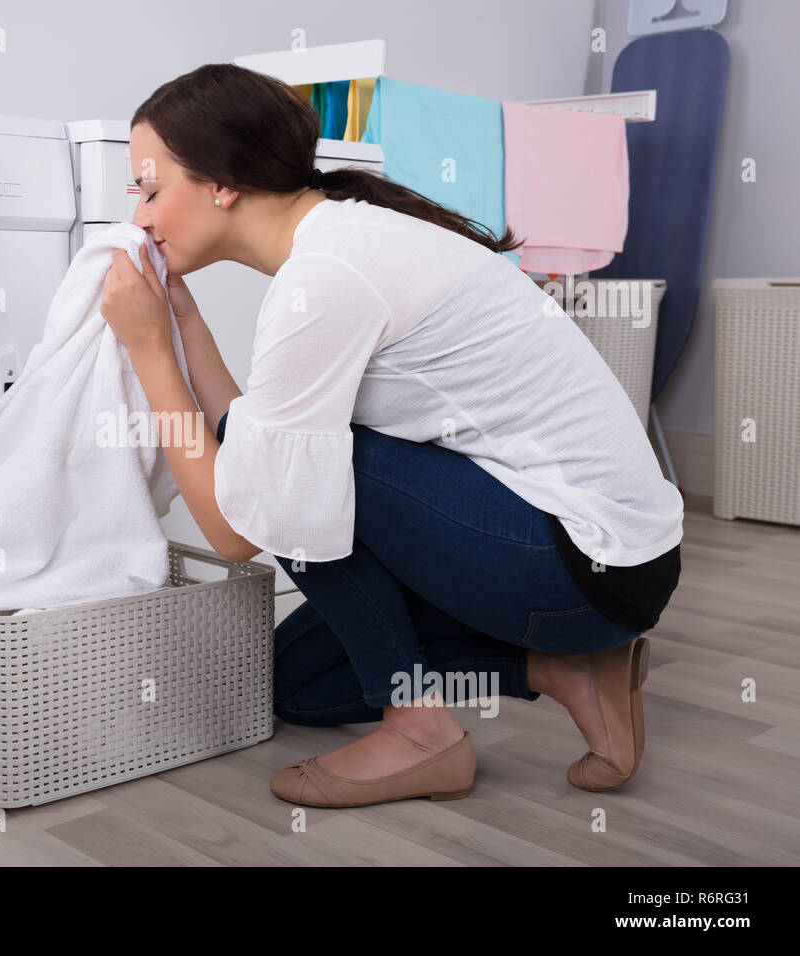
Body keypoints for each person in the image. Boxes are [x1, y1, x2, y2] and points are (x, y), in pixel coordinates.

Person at [99, 63, 682, 809]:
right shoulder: (339, 243)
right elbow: (252, 441)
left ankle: (420, 732)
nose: (141, 218)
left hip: (584, 563)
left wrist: (150, 357)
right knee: (295, 683)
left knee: (291, 475)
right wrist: (183, 324)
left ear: (221, 183)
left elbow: (239, 524)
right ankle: (564, 670)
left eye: (150, 190)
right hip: (586, 558)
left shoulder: (329, 276)